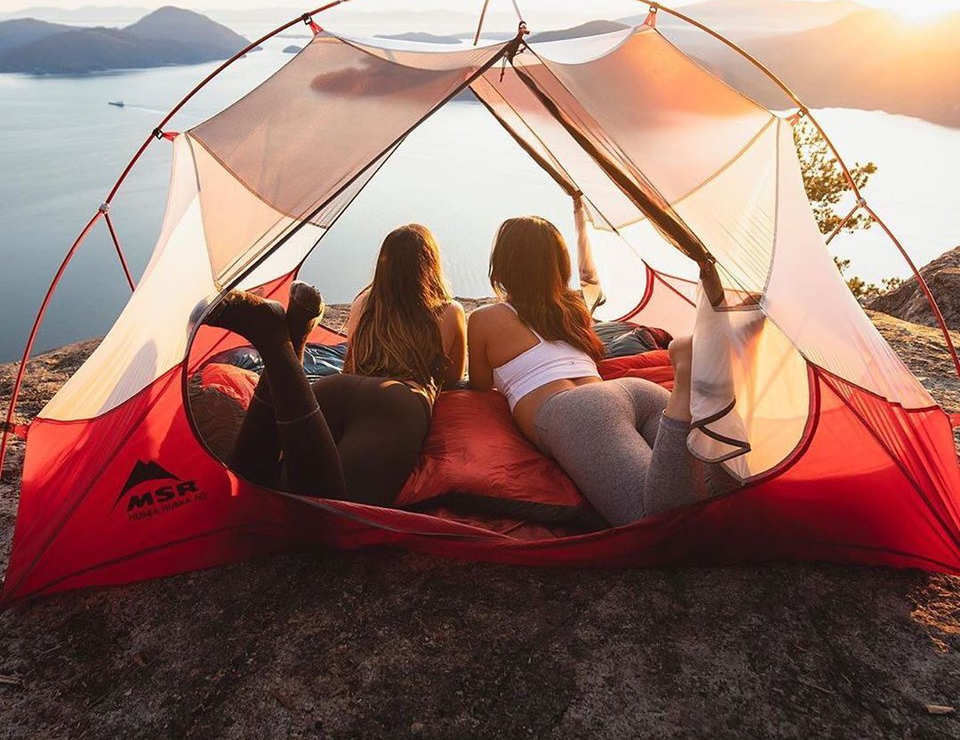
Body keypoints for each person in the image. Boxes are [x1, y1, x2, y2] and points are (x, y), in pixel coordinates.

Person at [467, 216, 736, 526]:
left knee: (650, 519)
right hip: (634, 392)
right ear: (558, 264)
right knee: (715, 493)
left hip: (579, 410)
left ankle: (686, 376)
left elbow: (480, 384)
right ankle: (707, 386)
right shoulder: (572, 309)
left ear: (502, 264)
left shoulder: (485, 318)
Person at [203, 224, 465, 506]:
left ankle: (289, 339)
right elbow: (453, 376)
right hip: (396, 400)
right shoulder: (448, 310)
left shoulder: (363, 302)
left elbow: (350, 364)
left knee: (255, 480)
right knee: (330, 504)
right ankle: (273, 340)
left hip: (337, 388)